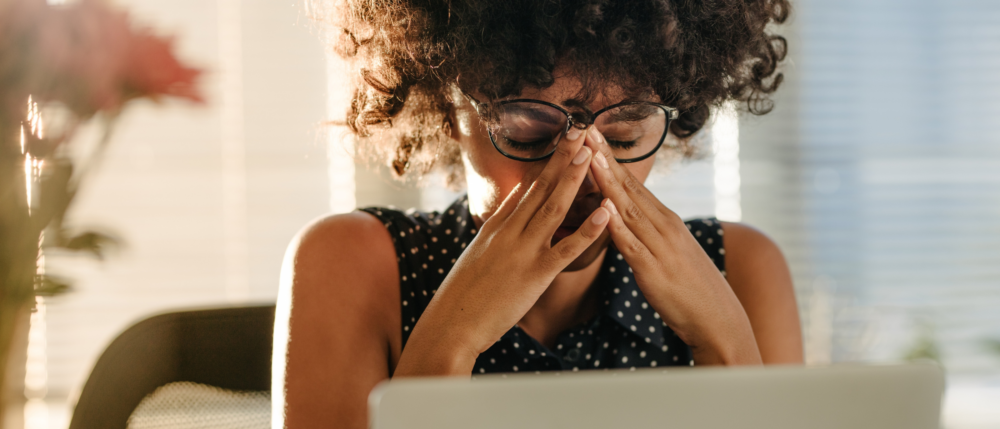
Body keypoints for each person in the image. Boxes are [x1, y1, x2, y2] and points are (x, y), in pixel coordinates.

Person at [273, 0, 802, 427]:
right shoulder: (352, 263)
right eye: (526, 131)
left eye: (622, 135)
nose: (582, 173)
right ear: (445, 107)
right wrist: (452, 339)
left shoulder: (741, 269)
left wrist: (725, 342)